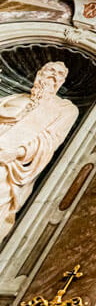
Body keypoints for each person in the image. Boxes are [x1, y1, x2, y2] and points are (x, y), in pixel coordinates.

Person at [0, 62, 78, 245]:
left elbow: (49, 141)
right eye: (50, 70)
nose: (54, 76)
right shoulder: (15, 98)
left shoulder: (64, 109)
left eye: (60, 74)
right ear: (39, 74)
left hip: (11, 166)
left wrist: (17, 152)